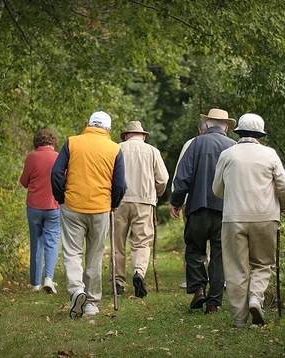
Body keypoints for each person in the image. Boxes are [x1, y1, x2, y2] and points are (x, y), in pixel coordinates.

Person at [212, 113, 285, 328]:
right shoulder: (270, 154)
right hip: (266, 216)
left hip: (233, 218)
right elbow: (284, 186)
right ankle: (256, 298)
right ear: (260, 134)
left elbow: (217, 189)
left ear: (238, 131)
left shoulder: (227, 155)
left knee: (237, 267)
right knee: (262, 263)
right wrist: (282, 203)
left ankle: (239, 320)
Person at [51, 111, 127, 318]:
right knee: (94, 255)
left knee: (72, 252)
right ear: (108, 130)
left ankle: (77, 290)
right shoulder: (114, 149)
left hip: (73, 205)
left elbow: (56, 173)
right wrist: (113, 203)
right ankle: (92, 303)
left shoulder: (72, 142)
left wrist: (61, 197)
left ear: (88, 124)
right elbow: (120, 184)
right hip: (100, 208)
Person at [170, 108, 236, 314]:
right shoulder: (233, 146)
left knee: (194, 250)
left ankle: (199, 289)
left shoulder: (195, 143)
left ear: (206, 125)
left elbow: (183, 178)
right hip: (224, 210)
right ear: (226, 127)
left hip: (197, 207)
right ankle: (214, 302)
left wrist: (176, 201)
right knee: (219, 254)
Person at [113, 121, 169, 298]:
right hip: (144, 202)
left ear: (126, 135)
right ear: (143, 136)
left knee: (117, 242)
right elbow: (163, 179)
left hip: (119, 201)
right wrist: (155, 195)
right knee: (141, 242)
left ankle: (118, 282)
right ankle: (138, 272)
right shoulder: (153, 151)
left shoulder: (116, 149)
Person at [19, 128, 61, 294]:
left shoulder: (31, 157)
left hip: (34, 206)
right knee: (51, 242)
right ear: (53, 142)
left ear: (37, 142)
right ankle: (48, 279)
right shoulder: (58, 157)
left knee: (36, 242)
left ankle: (35, 283)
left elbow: (24, 182)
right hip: (53, 206)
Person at [171, 120, 206, 289]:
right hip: (221, 203)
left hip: (192, 202)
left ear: (200, 130)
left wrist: (177, 201)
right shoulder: (230, 144)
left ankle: (193, 280)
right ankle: (218, 280)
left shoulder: (191, 144)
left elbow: (181, 173)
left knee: (192, 242)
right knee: (219, 243)